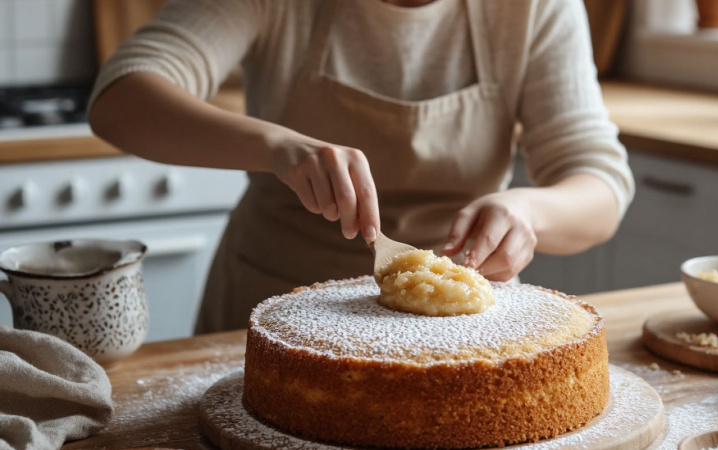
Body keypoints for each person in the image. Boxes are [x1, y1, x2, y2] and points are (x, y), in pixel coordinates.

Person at [89, 0, 635, 334]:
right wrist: (278, 146)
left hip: (464, 332)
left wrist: (527, 210)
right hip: (270, 307)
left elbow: (600, 184)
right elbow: (121, 99)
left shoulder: (535, 6)